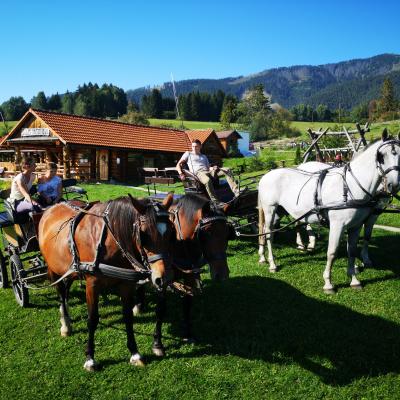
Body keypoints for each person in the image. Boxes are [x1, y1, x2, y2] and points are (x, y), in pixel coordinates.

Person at [176, 139, 239, 203]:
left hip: (208, 171)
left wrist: (213, 168)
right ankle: (215, 201)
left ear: (200, 146)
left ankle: (236, 192)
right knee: (207, 180)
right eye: (193, 146)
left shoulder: (204, 156)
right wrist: (181, 174)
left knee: (227, 170)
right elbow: (178, 165)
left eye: (196, 146)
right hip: (198, 173)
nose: (194, 148)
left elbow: (208, 167)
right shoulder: (188, 153)